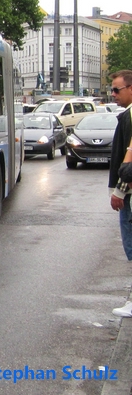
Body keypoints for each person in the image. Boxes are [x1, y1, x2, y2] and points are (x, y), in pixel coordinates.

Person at [108, 70, 132, 318]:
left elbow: (128, 162)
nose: (113, 94)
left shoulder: (130, 116)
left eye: (117, 90)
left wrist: (119, 192)